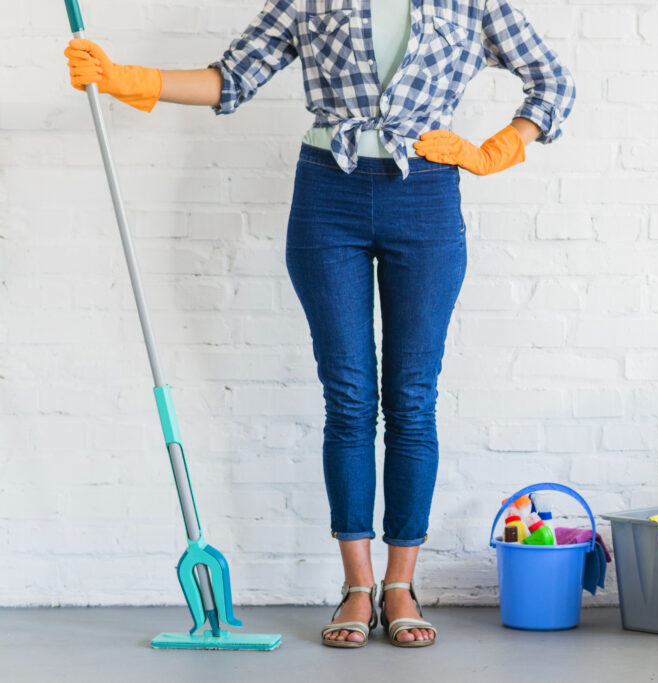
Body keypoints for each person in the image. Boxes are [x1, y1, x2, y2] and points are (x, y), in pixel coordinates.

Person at [64, 0, 575, 649]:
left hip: (427, 193)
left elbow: (552, 80)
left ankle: (401, 585)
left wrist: (498, 148)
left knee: (412, 399)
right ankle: (358, 586)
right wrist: (125, 78)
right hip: (326, 197)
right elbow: (232, 77)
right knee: (350, 400)